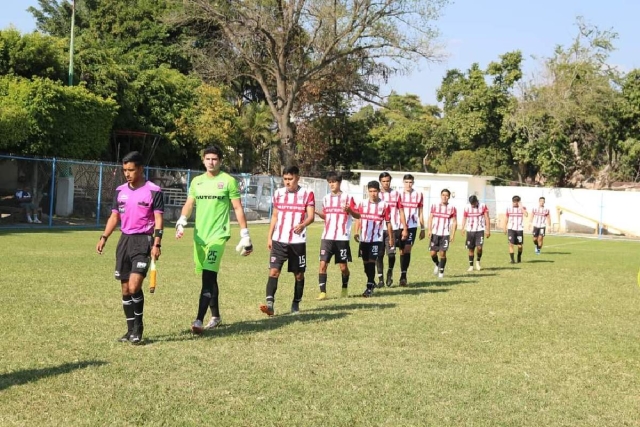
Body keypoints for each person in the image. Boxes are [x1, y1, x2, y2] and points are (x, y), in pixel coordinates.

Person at [175, 145, 253, 334]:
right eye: (208, 159)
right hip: (200, 236)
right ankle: (216, 316)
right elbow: (189, 203)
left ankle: (199, 320)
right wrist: (181, 220)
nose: (211, 162)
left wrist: (245, 234)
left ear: (220, 161)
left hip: (218, 236)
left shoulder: (228, 181)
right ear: (203, 160)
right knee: (209, 276)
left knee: (208, 278)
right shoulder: (197, 182)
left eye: (215, 159)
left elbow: (237, 208)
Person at [96, 151, 164, 345]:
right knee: (125, 289)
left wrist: (157, 243)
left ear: (141, 169)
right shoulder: (120, 191)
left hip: (143, 241)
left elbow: (159, 219)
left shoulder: (154, 191)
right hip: (124, 241)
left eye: (131, 170)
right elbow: (114, 216)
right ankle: (129, 330)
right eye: (124, 170)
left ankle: (138, 328)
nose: (127, 173)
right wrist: (104, 237)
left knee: (135, 286)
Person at [260, 166, 315, 316]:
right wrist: (269, 236)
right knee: (274, 271)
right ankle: (270, 305)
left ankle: (296, 303)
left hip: (297, 242)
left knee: (299, 275)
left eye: (290, 179)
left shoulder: (307, 194)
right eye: (285, 179)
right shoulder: (278, 193)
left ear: (298, 178)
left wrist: (303, 225)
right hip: (279, 240)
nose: (287, 182)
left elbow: (311, 216)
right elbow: (275, 216)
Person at [315, 172, 358, 300]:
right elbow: (326, 216)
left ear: (339, 183)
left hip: (342, 238)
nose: (332, 184)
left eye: (334, 182)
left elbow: (358, 215)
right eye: (330, 182)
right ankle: (323, 292)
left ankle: (344, 287)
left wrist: (349, 210)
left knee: (343, 267)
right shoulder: (326, 198)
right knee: (323, 264)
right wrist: (318, 213)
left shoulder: (347, 198)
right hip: (327, 237)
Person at [354, 181, 393, 297]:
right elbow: (358, 218)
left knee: (372, 262)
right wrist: (356, 232)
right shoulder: (362, 203)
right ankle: (371, 281)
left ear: (379, 191)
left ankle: (369, 287)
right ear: (368, 191)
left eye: (375, 191)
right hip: (364, 239)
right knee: (366, 264)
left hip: (377, 239)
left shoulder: (384, 205)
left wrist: (391, 238)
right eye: (370, 191)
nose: (373, 193)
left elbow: (388, 223)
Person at [377, 172, 407, 288]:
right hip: (378, 230)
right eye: (384, 181)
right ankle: (380, 279)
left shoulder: (396, 194)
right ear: (380, 181)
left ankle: (389, 271)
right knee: (379, 255)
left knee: (391, 255)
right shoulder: (376, 194)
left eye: (388, 181)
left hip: (393, 229)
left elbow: (401, 211)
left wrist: (404, 228)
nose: (386, 183)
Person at [398, 174, 425, 286]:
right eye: (406, 182)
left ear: (413, 183)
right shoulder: (398, 194)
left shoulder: (418, 195)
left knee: (408, 249)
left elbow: (420, 212)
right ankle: (401, 273)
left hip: (412, 226)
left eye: (410, 182)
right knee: (401, 251)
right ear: (403, 182)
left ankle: (403, 276)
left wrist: (423, 228)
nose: (408, 184)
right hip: (398, 226)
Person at [428, 188, 457, 279]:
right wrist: (429, 230)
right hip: (435, 233)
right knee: (432, 253)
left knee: (442, 253)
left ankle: (441, 272)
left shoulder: (452, 208)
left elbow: (454, 222)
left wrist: (452, 234)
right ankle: (437, 264)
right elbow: (430, 218)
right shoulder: (435, 206)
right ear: (441, 196)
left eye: (446, 195)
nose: (444, 197)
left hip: (445, 234)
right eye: (443, 195)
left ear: (449, 197)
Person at [461, 195, 491, 272]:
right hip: (470, 231)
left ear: (476, 201)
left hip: (480, 230)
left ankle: (478, 261)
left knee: (479, 247)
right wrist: (462, 228)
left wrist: (488, 230)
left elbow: (487, 217)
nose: (472, 205)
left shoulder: (483, 206)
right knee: (471, 249)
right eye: (471, 204)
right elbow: (464, 217)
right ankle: (471, 266)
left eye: (474, 203)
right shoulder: (467, 207)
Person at [504, 195, 528, 263]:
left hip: (519, 229)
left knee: (520, 246)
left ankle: (519, 256)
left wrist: (521, 207)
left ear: (519, 202)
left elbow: (526, 214)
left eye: (516, 202)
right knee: (511, 244)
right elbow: (506, 218)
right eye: (513, 201)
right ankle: (512, 260)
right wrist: (504, 227)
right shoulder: (509, 208)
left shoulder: (523, 208)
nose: (514, 203)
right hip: (511, 229)